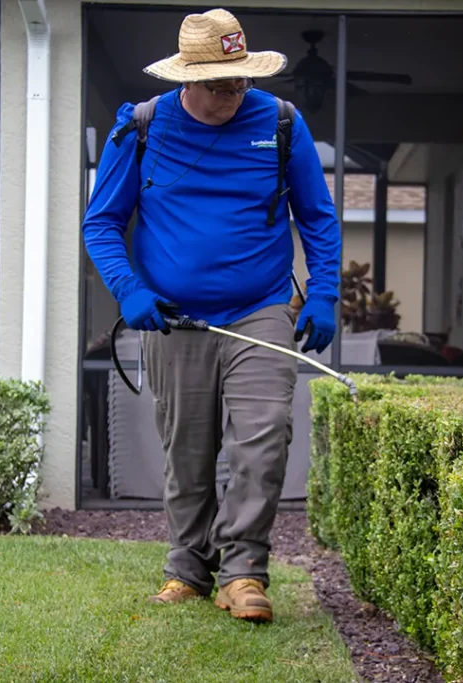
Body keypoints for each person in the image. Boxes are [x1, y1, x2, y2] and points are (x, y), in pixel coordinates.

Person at [82, 8, 342, 623]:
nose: (234, 94)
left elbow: (317, 217)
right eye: (221, 84)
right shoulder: (142, 127)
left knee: (264, 437)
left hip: (260, 308)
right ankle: (189, 568)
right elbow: (102, 222)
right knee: (187, 450)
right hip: (173, 316)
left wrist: (326, 292)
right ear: (186, 80)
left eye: (241, 81)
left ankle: (244, 572)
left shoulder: (279, 122)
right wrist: (128, 289)